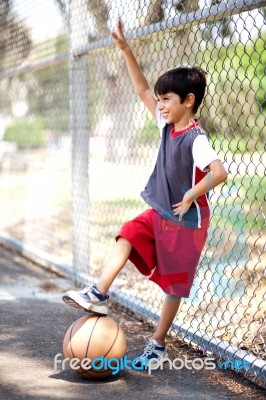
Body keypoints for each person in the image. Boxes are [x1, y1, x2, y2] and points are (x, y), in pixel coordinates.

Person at [62, 18, 228, 366]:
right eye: (160, 100)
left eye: (166, 99)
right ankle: (98, 292)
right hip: (158, 211)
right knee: (127, 233)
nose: (160, 105)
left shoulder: (196, 140)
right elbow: (140, 90)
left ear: (188, 101)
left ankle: (157, 343)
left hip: (186, 221)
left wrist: (193, 192)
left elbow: (220, 172)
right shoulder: (165, 124)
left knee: (173, 287)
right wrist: (124, 49)